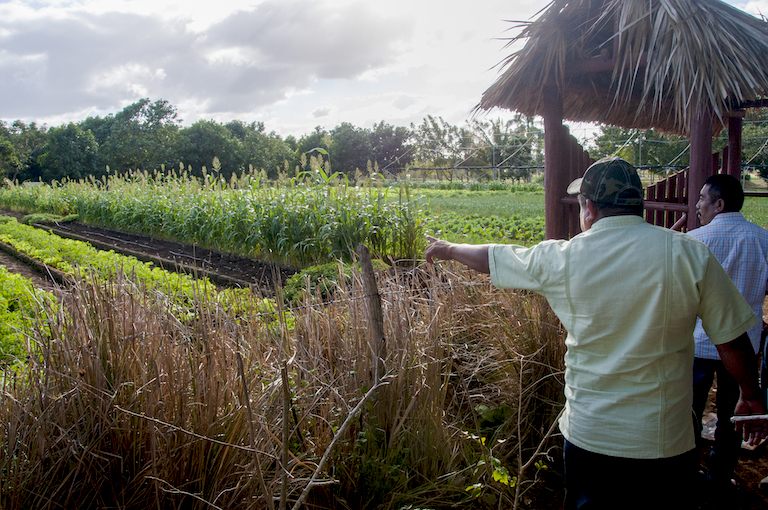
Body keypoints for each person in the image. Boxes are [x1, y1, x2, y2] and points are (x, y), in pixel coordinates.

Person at [424, 157, 768, 510]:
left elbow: (493, 257)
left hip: (591, 437)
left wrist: (448, 249)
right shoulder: (688, 252)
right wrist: (751, 394)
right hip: (665, 441)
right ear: (639, 205)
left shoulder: (563, 257)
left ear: (588, 207)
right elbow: (732, 340)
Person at [688, 174, 768, 493]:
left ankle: (688, 473)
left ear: (718, 204)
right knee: (734, 413)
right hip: (743, 348)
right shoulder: (763, 239)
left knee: (689, 412)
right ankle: (720, 477)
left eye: (702, 199)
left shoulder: (693, 241)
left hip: (696, 343)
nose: (697, 206)